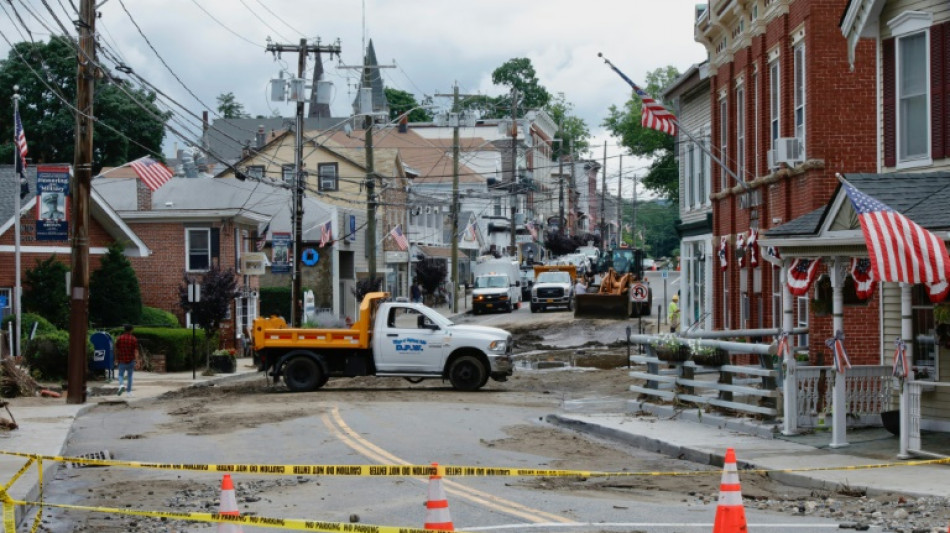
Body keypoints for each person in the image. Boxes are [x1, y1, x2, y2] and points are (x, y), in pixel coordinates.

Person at [115, 324, 139, 397]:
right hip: (130, 360)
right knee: (130, 376)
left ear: (124, 329)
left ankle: (121, 385)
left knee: (120, 375)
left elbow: (116, 349)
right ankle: (129, 392)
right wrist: (137, 360)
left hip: (121, 359)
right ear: (131, 330)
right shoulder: (133, 339)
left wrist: (115, 359)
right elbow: (135, 351)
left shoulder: (119, 338)